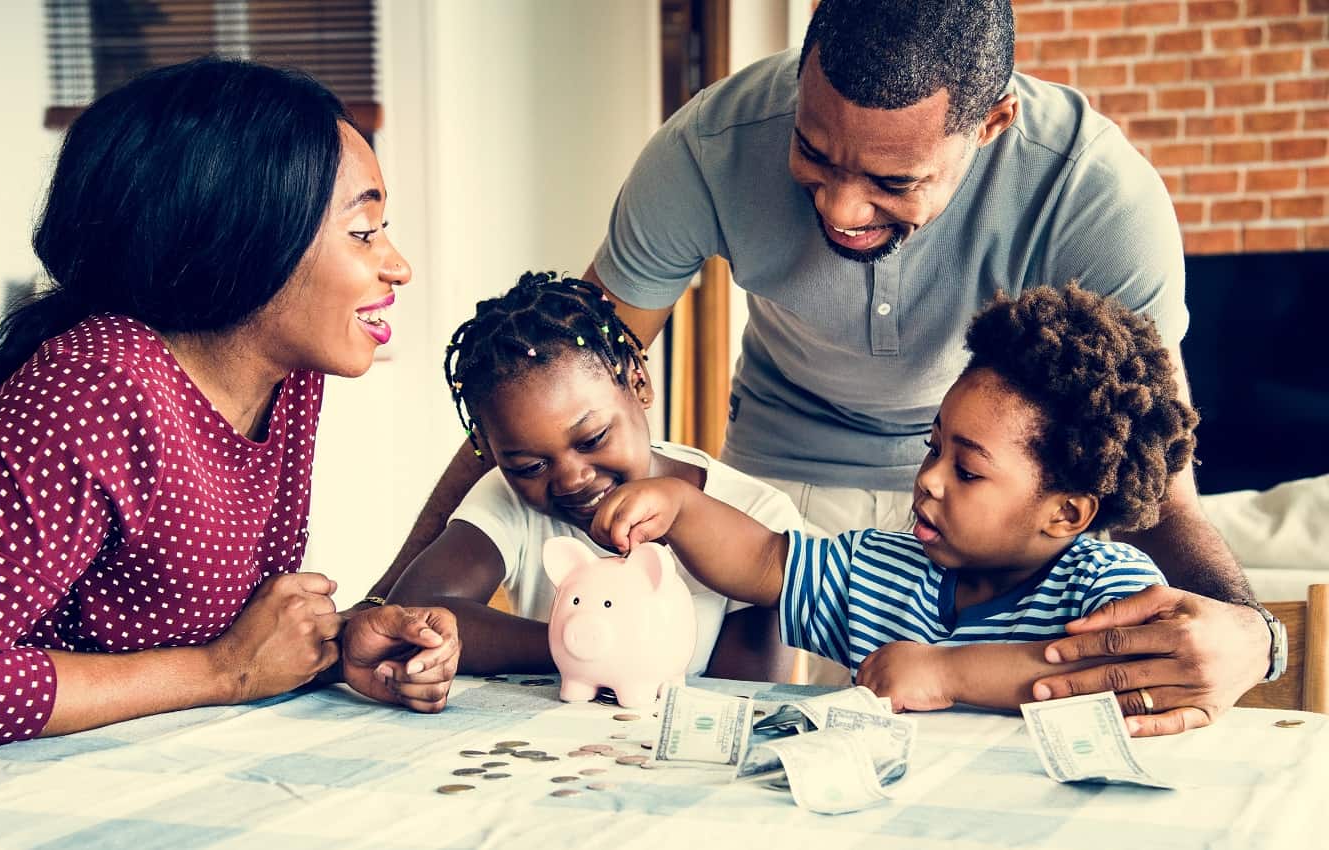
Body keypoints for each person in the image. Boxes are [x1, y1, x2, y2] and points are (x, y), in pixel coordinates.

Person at [371, 0, 1276, 735]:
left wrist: (1252, 633)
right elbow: (556, 375)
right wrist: (379, 607)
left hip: (1007, 493)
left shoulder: (1095, 196)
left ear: (993, 122)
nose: (842, 208)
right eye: (814, 152)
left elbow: (1162, 493)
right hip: (782, 484)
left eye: (893, 181)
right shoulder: (706, 150)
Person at [0, 59, 460, 775]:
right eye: (363, 231)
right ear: (247, 236)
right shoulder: (95, 384)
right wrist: (224, 672)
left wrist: (338, 645)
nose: (397, 265)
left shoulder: (287, 380)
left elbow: (219, 637)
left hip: (136, 772)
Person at [592, 285, 1194, 725]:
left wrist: (945, 672)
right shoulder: (880, 569)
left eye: (967, 471)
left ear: (1065, 514)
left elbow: (1120, 678)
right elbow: (764, 562)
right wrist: (680, 507)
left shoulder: (1111, 588)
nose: (929, 480)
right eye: (933, 450)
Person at [344, 272, 801, 682]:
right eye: (530, 467)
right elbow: (417, 613)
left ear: (637, 383)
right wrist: (577, 644)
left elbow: (745, 692)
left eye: (593, 439)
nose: (571, 480)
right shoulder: (507, 497)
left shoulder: (758, 515)